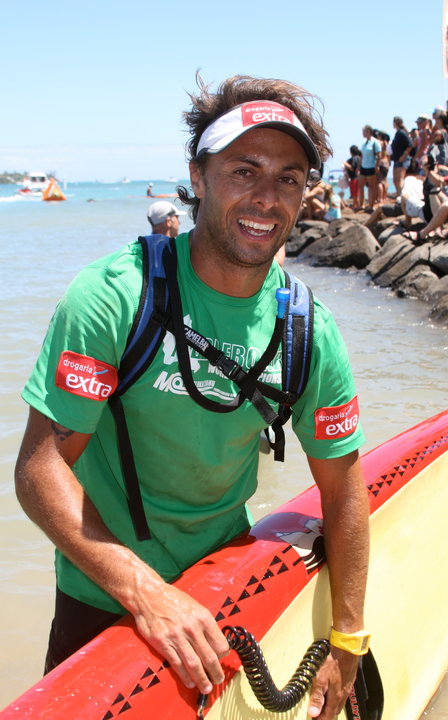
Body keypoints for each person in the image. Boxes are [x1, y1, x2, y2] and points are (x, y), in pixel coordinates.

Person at [15, 74, 369, 720]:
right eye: (244, 171)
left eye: (288, 178)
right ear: (197, 177)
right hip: (102, 599)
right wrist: (147, 594)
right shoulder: (115, 298)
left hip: (224, 591)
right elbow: (38, 471)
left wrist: (347, 636)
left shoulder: (308, 332)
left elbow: (344, 492)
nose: (267, 198)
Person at [357, 125, 381, 212]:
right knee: (360, 186)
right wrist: (359, 166)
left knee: (371, 186)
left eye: (364, 131)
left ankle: (371, 205)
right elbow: (362, 156)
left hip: (371, 166)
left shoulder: (375, 142)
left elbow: (379, 155)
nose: (363, 133)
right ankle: (361, 204)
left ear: (369, 132)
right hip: (363, 166)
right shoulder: (363, 142)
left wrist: (377, 166)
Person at [391, 117, 413, 195]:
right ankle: (399, 195)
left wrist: (404, 156)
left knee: (400, 179)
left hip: (402, 159)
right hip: (396, 159)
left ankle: (402, 196)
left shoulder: (402, 133)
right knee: (395, 180)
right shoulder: (398, 133)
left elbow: (410, 145)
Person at [343, 145, 362, 209]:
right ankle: (357, 204)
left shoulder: (354, 158)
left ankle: (355, 205)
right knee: (357, 192)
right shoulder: (359, 158)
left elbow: (352, 168)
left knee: (354, 193)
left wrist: (346, 164)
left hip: (354, 177)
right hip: (359, 177)